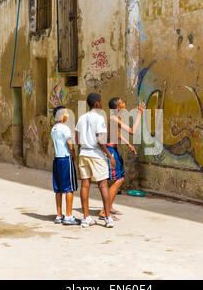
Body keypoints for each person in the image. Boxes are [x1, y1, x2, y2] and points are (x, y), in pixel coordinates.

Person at [99, 98, 146, 220]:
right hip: (111, 151)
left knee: (120, 178)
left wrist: (128, 144)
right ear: (118, 107)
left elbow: (117, 134)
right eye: (122, 102)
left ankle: (109, 207)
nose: (125, 103)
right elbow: (132, 131)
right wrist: (139, 114)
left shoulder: (116, 118)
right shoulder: (114, 118)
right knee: (117, 180)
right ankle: (105, 211)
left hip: (114, 149)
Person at [75, 93, 117, 228]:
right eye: (101, 101)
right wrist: (109, 155)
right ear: (97, 103)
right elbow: (100, 139)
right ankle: (108, 217)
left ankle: (86, 218)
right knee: (103, 185)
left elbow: (77, 138)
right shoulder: (99, 118)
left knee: (84, 185)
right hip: (95, 154)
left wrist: (80, 151)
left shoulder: (81, 118)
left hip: (84, 153)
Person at [51, 106, 80, 226]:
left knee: (58, 189)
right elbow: (70, 145)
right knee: (69, 188)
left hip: (57, 159)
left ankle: (59, 215)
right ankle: (68, 216)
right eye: (66, 113)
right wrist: (74, 155)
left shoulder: (53, 128)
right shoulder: (65, 128)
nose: (68, 115)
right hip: (66, 159)